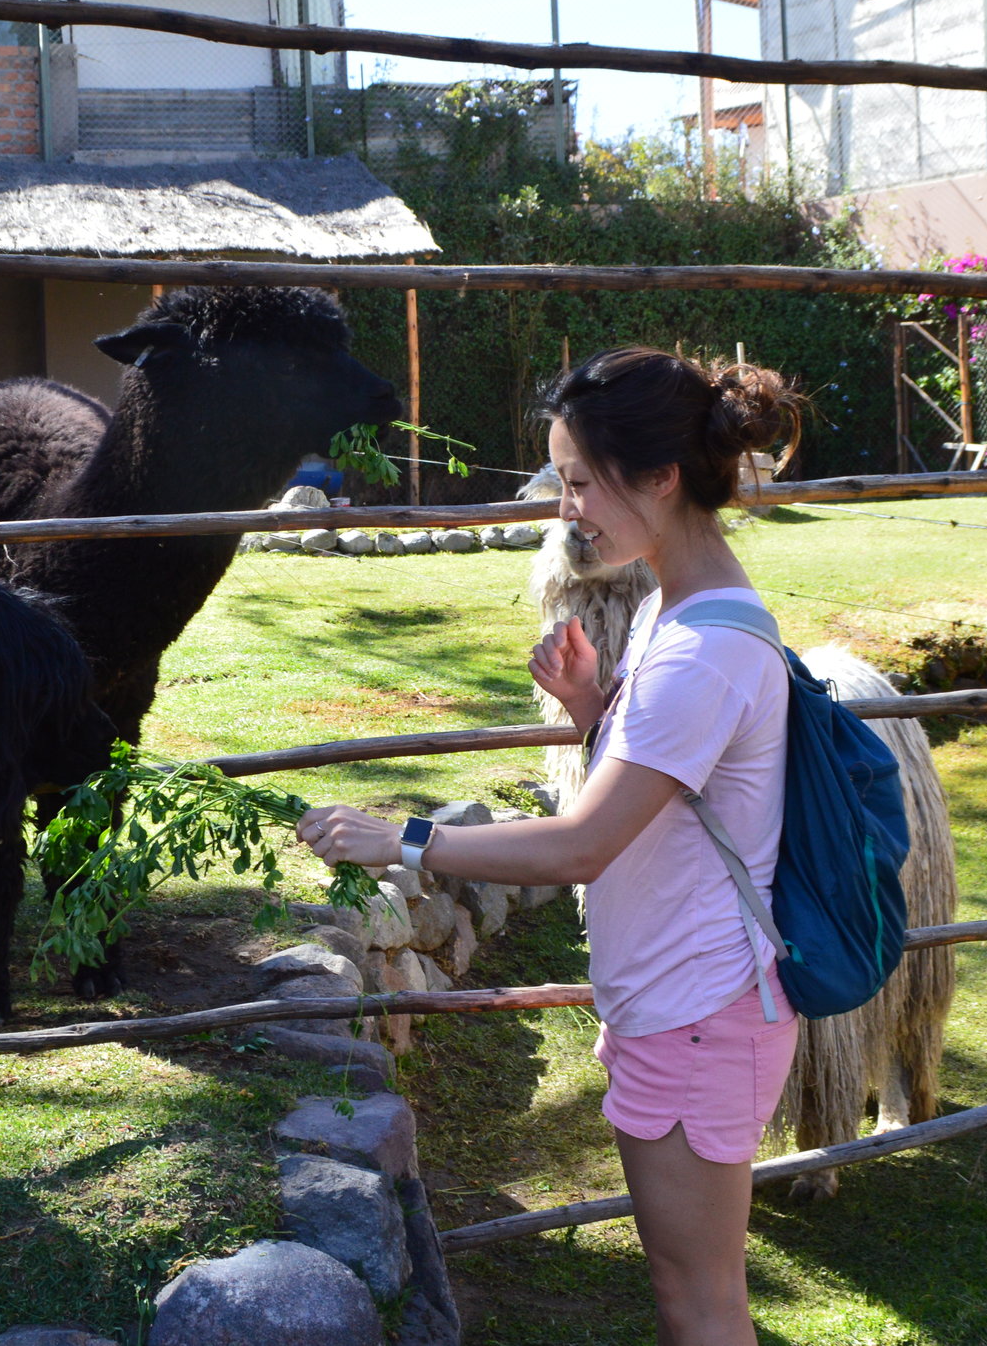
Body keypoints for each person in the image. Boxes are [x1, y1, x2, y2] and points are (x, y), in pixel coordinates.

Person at [298, 346, 800, 1346]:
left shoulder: (701, 649)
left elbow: (581, 847)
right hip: (675, 1005)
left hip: (701, 1015)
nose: (566, 508)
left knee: (701, 1304)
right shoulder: (672, 610)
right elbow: (671, 795)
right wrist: (593, 712)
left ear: (660, 478)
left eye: (579, 481)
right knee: (685, 1296)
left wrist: (400, 838)